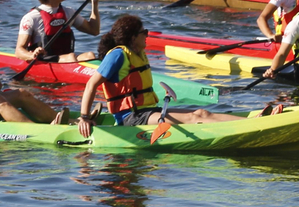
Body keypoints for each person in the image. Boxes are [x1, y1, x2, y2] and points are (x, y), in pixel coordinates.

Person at [74, 14, 240, 137]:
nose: (147, 35)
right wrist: (84, 118)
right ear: (133, 38)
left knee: (202, 113)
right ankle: (236, 132)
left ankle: (247, 124)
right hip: (131, 117)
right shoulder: (118, 55)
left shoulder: (137, 53)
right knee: (191, 117)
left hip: (146, 111)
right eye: (143, 32)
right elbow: (91, 84)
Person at [16, 0, 103, 63]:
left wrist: (95, 3)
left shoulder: (69, 12)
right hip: (45, 60)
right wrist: (32, 55)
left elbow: (94, 30)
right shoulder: (31, 18)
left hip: (67, 59)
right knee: (71, 57)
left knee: (90, 55)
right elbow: (19, 51)